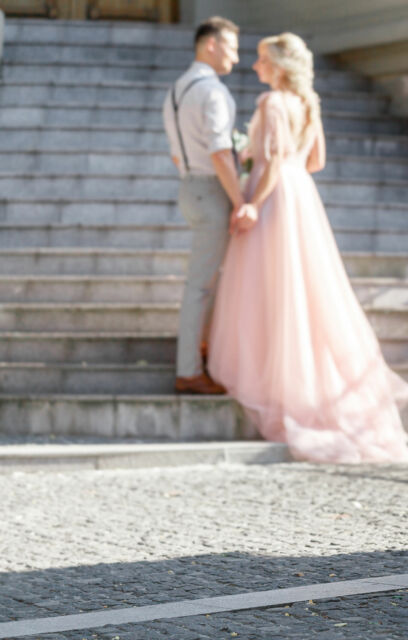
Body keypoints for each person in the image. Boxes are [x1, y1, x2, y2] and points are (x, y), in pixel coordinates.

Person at [206, 33, 408, 464]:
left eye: (262, 59)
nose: (255, 66)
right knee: (306, 291)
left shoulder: (272, 103)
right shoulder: (308, 103)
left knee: (271, 289)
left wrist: (250, 204)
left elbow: (274, 163)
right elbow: (314, 160)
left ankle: (277, 383)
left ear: (280, 65)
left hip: (276, 198)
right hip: (303, 196)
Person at [161, 16, 244, 394]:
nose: (236, 57)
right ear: (210, 45)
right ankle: (190, 370)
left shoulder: (176, 89)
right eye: (231, 47)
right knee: (201, 286)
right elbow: (220, 152)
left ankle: (207, 353)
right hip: (211, 190)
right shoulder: (212, 91)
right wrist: (240, 200)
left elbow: (178, 154)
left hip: (188, 186)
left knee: (207, 281)